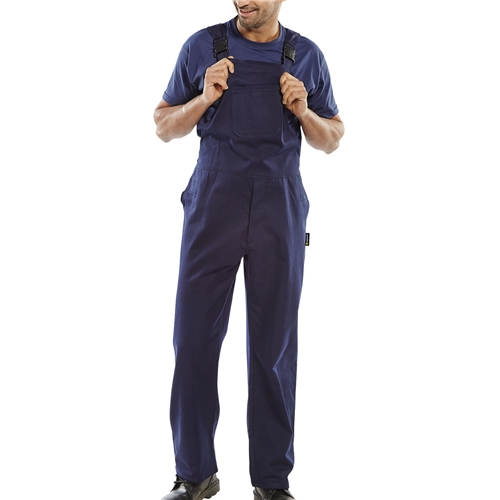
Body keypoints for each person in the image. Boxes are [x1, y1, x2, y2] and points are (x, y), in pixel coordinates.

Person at [153, 1, 344, 499]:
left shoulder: (307, 55)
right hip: (213, 205)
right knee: (193, 341)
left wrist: (304, 111)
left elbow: (332, 138)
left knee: (274, 347)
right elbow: (163, 125)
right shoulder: (201, 47)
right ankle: (195, 474)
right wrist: (202, 99)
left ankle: (272, 483)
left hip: (279, 209)